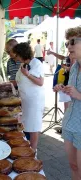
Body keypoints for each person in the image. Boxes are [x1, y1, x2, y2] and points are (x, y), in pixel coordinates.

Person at [53, 26, 81, 180]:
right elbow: (73, 93)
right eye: (67, 43)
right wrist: (63, 89)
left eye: (72, 42)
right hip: (69, 123)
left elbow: (77, 94)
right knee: (73, 166)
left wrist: (78, 94)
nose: (68, 46)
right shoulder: (74, 67)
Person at [11, 42, 45, 151]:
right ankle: (27, 148)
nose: (15, 57)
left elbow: (40, 82)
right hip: (25, 101)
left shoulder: (37, 63)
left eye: (17, 55)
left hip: (34, 102)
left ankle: (33, 151)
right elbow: (19, 81)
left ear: (22, 53)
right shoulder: (22, 65)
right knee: (26, 125)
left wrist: (27, 74)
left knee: (33, 127)